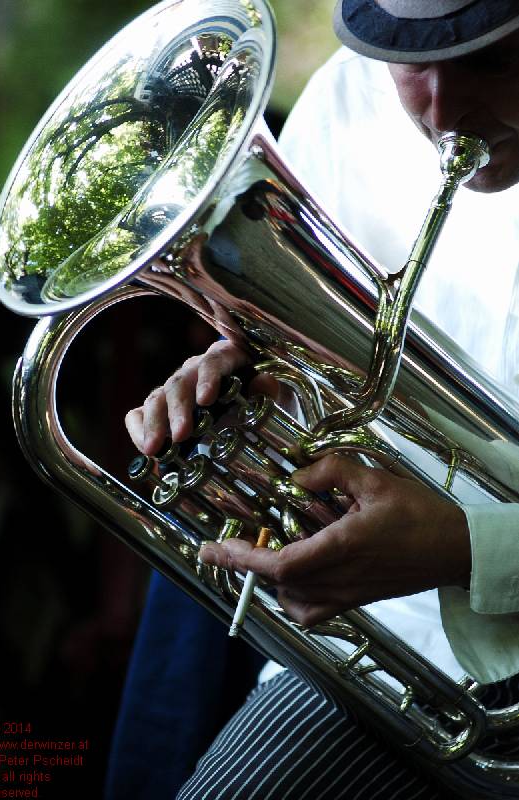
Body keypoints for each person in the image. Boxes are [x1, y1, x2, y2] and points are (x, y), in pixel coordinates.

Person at [122, 2, 519, 797]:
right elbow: (305, 355)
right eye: (410, 62)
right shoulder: (347, 97)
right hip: (375, 644)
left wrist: (467, 549)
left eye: (488, 60)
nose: (441, 113)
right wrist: (248, 381)